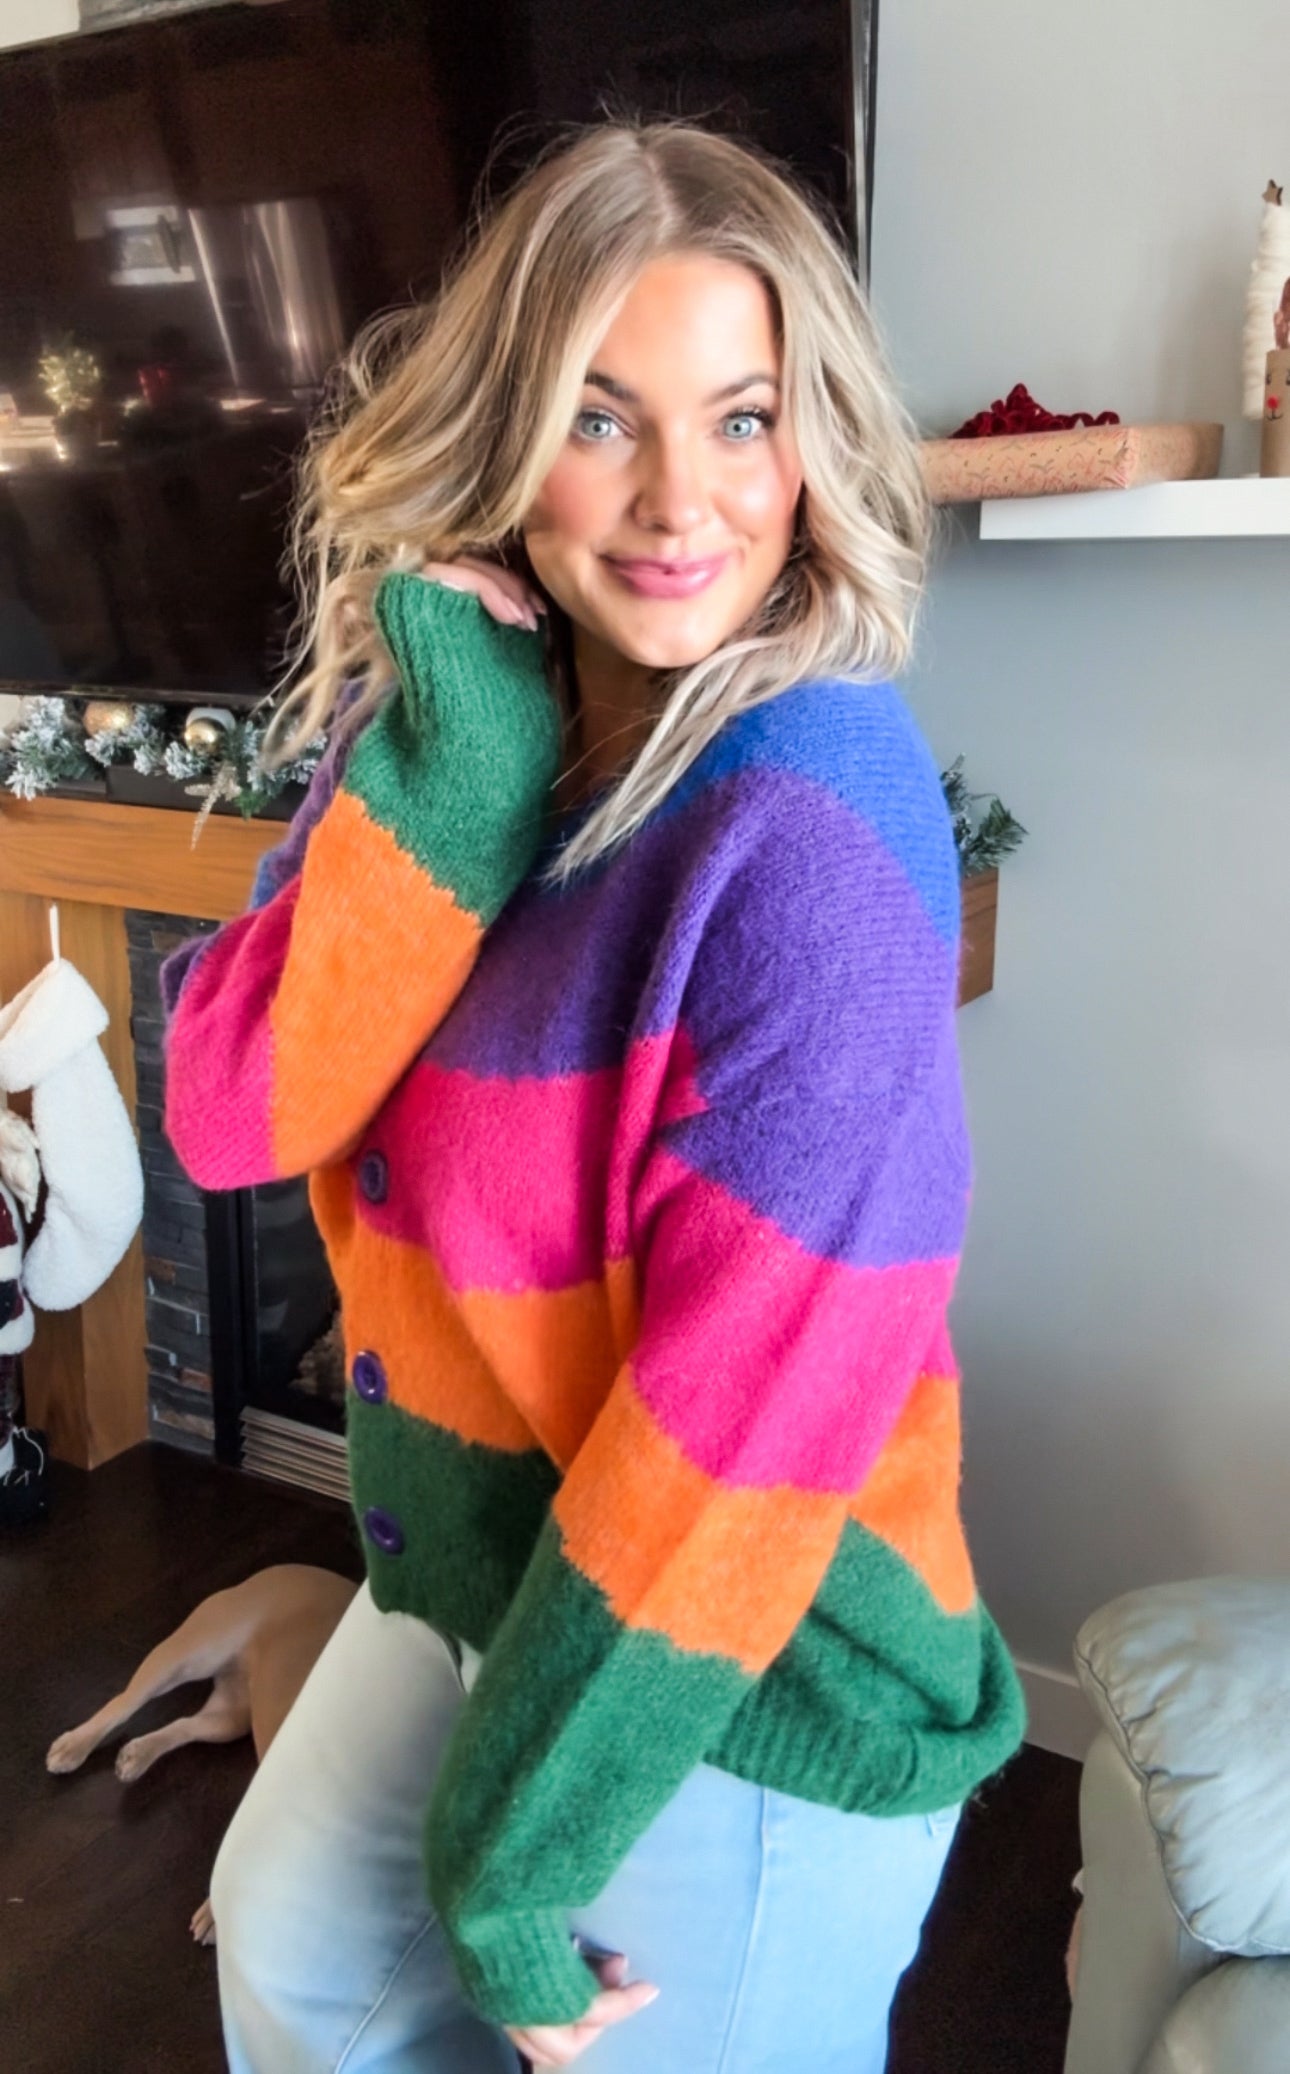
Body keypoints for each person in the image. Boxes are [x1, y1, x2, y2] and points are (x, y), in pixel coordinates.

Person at [161, 120, 1025, 2074]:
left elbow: (741, 1426)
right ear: (506, 433)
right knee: (294, 1945)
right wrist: (450, 782)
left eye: (741, 419)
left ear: (809, 443)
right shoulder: (471, 716)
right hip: (497, 1558)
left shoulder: (812, 823)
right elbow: (228, 1115)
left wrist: (514, 1860)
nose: (677, 502)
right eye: (598, 417)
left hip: (747, 1658)